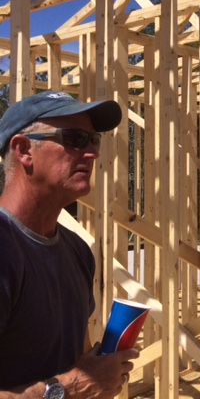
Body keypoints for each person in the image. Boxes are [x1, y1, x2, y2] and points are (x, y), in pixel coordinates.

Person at [0, 91, 139, 398]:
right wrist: (68, 388)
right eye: (75, 139)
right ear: (24, 150)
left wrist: (101, 377)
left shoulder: (77, 251)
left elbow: (80, 362)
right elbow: (76, 382)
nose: (92, 153)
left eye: (94, 140)